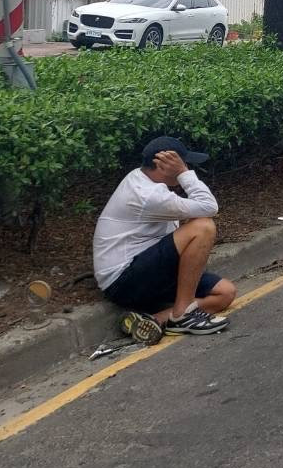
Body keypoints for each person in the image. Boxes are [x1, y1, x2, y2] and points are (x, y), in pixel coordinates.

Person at [92, 136, 236, 345]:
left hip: (148, 270)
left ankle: (154, 320)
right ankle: (183, 314)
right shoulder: (147, 195)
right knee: (203, 227)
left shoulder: (145, 179)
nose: (186, 167)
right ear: (163, 165)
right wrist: (185, 174)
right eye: (182, 163)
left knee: (225, 293)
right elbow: (209, 206)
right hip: (123, 280)